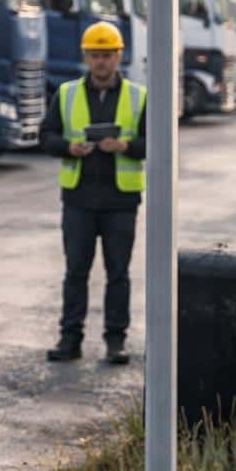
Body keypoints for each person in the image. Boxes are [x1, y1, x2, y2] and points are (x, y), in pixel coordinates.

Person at [40, 21, 148, 364]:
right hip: (79, 199)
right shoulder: (67, 93)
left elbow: (154, 144)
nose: (101, 62)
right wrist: (69, 147)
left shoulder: (138, 96)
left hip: (120, 202)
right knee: (76, 272)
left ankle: (115, 341)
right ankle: (69, 339)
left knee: (118, 274)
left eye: (107, 55)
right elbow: (46, 137)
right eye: (95, 55)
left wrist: (125, 145)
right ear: (85, 57)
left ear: (119, 56)